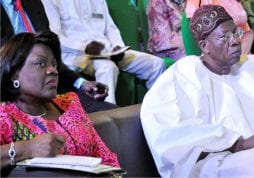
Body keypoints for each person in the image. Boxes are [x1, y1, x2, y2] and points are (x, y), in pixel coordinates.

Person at [140, 5, 254, 177]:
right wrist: (240, 144)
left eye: (235, 33)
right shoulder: (183, 75)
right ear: (204, 46)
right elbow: (169, 135)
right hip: (221, 163)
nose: (234, 41)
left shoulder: (253, 65)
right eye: (225, 37)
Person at [0, 31, 119, 171]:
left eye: (54, 64)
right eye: (40, 63)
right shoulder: (5, 115)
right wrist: (27, 148)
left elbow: (105, 158)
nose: (53, 71)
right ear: (15, 73)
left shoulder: (70, 104)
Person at [0, 0, 118, 113]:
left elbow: (49, 58)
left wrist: (81, 83)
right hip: (11, 94)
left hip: (54, 93)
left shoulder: (33, 3)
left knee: (111, 112)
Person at [41, 0, 165, 104]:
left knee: (156, 64)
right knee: (107, 68)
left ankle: (157, 111)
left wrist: (118, 47)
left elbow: (110, 28)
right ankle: (107, 116)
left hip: (106, 51)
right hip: (76, 54)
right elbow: (55, 36)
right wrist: (84, 47)